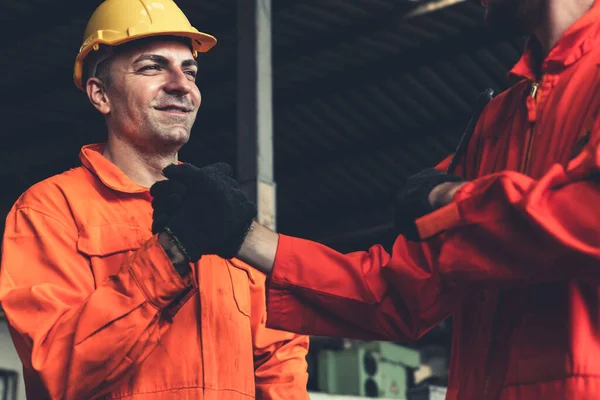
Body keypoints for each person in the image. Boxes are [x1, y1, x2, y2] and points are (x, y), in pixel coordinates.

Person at [150, 0, 600, 398]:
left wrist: (449, 198)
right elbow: (400, 292)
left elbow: (586, 219)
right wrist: (243, 235)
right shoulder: (500, 119)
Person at [0, 1, 309, 399]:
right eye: (152, 67)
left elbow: (279, 354)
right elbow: (55, 372)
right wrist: (170, 255)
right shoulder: (51, 210)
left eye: (190, 70)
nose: (181, 84)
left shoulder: (221, 214)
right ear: (100, 94)